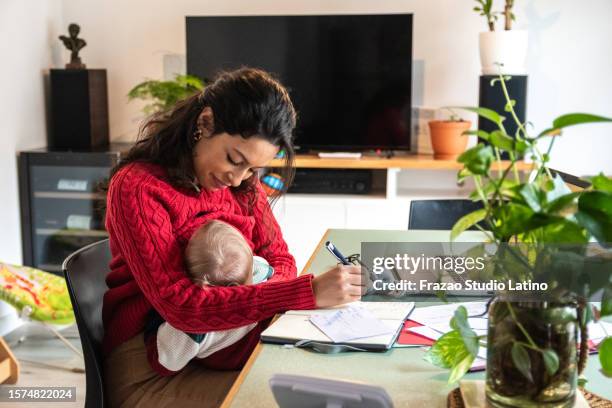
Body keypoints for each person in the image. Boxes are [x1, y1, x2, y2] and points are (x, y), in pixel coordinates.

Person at [102, 67, 363, 407]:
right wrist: (304, 292)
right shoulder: (139, 187)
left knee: (329, 382)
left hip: (221, 347)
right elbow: (181, 308)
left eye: (252, 169)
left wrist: (263, 290)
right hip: (149, 369)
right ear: (205, 123)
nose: (240, 179)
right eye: (234, 159)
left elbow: (280, 260)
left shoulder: (242, 186)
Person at [145, 219, 273, 376]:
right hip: (264, 347)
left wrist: (152, 333)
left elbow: (163, 363)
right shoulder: (262, 270)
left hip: (236, 358)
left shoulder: (192, 327)